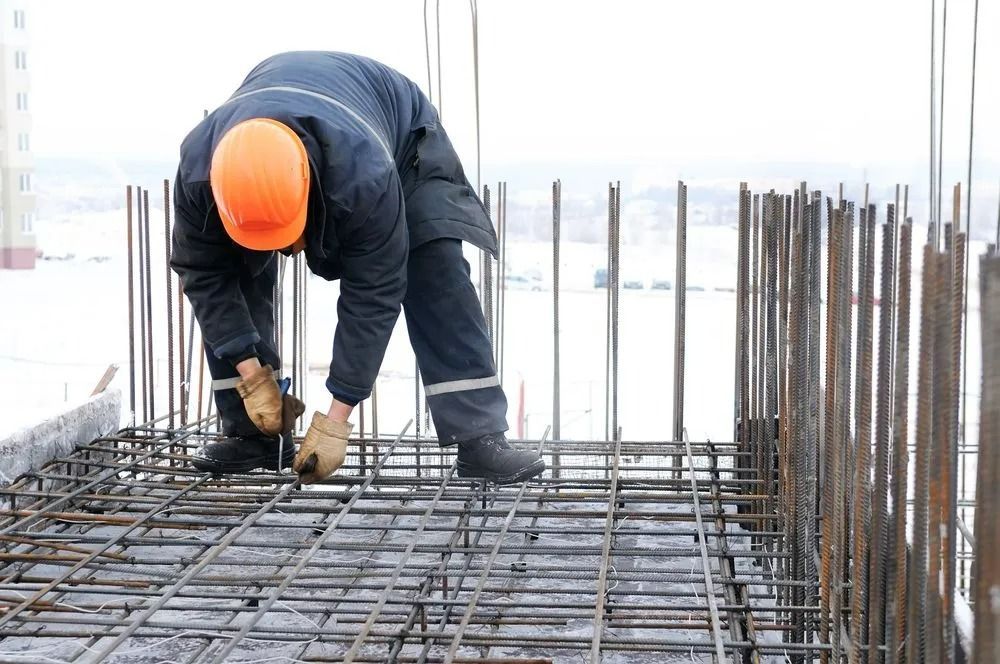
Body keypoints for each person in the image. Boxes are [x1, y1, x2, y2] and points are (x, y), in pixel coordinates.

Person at [170, 51, 545, 485]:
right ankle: (254, 435)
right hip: (301, 122)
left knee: (432, 261)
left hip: (399, 140)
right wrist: (251, 376)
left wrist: (336, 420)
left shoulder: (365, 177)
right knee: (228, 269)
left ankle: (480, 439)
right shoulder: (200, 176)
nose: (286, 252)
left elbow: (374, 293)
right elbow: (204, 275)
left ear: (309, 192)